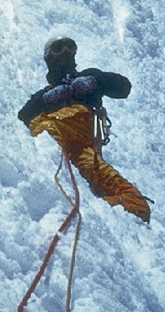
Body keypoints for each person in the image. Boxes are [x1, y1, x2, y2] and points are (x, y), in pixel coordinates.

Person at [19, 37, 151, 222]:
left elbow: (124, 87)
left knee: (137, 203)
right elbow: (23, 117)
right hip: (57, 137)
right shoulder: (44, 95)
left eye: (70, 47)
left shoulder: (90, 76)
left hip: (84, 148)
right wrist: (48, 99)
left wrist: (96, 80)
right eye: (59, 48)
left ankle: (97, 206)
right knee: (46, 127)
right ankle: (100, 203)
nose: (65, 52)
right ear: (49, 57)